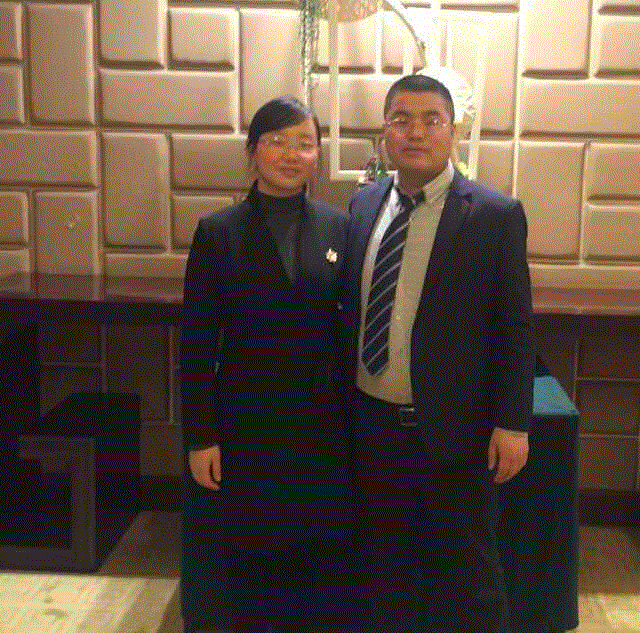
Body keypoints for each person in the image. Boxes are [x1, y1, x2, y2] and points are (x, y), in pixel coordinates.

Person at [342, 74, 540, 633]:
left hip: (456, 427)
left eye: (431, 120)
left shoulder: (494, 214)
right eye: (401, 119)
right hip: (372, 423)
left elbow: (515, 327)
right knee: (383, 568)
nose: (416, 132)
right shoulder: (363, 204)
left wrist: (513, 422)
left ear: (452, 131)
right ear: (385, 131)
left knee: (471, 573)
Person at [181, 97, 348, 633]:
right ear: (253, 151)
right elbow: (196, 346)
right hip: (245, 424)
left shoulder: (339, 228)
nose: (292, 155)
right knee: (250, 562)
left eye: (305, 144)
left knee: (315, 565)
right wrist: (201, 437)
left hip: (322, 427)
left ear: (317, 156)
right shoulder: (218, 232)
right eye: (277, 142)